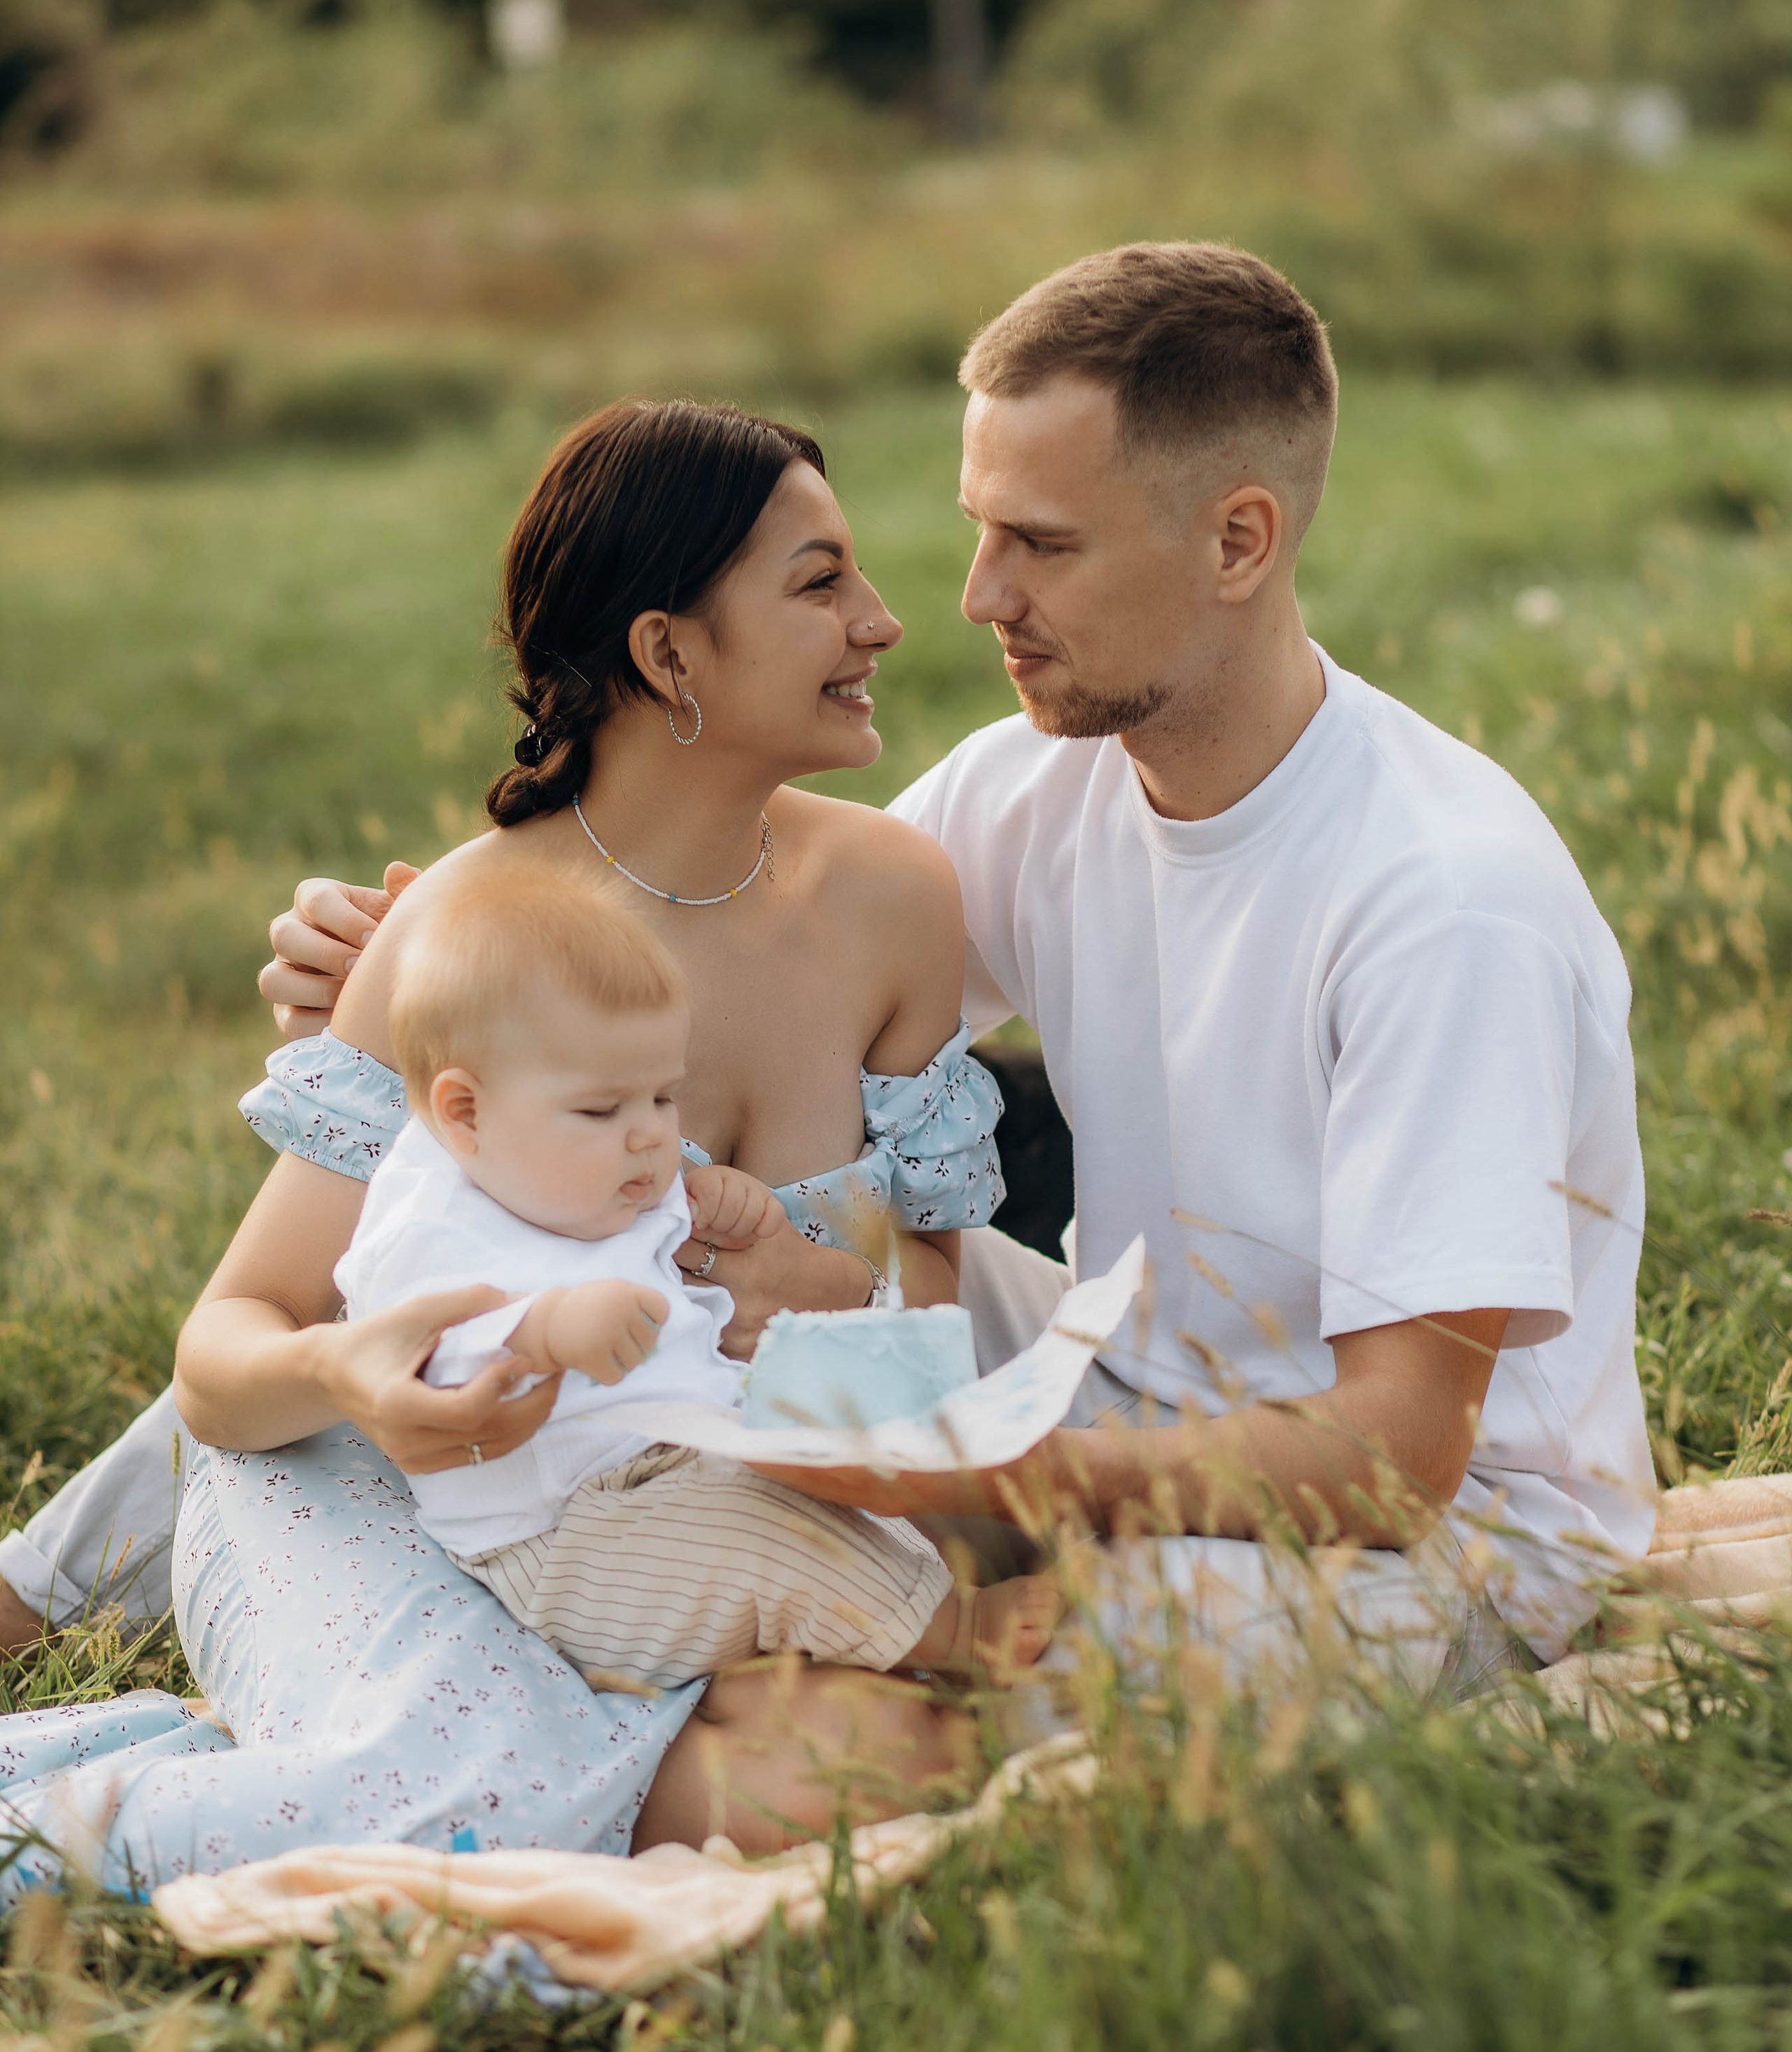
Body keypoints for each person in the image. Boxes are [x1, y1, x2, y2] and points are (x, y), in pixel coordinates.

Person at [249, 240, 1658, 1685]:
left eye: (1041, 545)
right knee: (431, 1241)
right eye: (979, 530)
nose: (976, 596)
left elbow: (1397, 1459)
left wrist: (973, 1479)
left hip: (1438, 1531)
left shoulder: (1440, 904)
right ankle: (48, 1578)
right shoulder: (1035, 790)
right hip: (1105, 1372)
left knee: (960, 1685)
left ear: (1236, 543)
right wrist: (418, 981)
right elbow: (720, 931)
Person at [0, 398, 1011, 1892]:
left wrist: (812, 1317)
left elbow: (924, 1344)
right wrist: (353, 1373)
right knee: (465, 1786)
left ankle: (294, 1753)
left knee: (890, 1769)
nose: (881, 622)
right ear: (668, 654)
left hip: (686, 1510)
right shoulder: (466, 930)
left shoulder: (890, 901)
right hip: (383, 1488)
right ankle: (117, 1799)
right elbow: (225, 1354)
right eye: (819, 584)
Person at [340, 854, 1055, 1682]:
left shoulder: (583, 1170)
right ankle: (954, 1638)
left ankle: (901, 1623)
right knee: (763, 1542)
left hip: (675, 1467)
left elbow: (680, 1236)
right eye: (606, 1108)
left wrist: (724, 1201)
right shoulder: (432, 1216)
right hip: (564, 1534)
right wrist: (544, 1331)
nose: (648, 1133)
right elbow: (419, 1342)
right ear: (464, 1112)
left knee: (823, 1495)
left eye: (661, 1096)